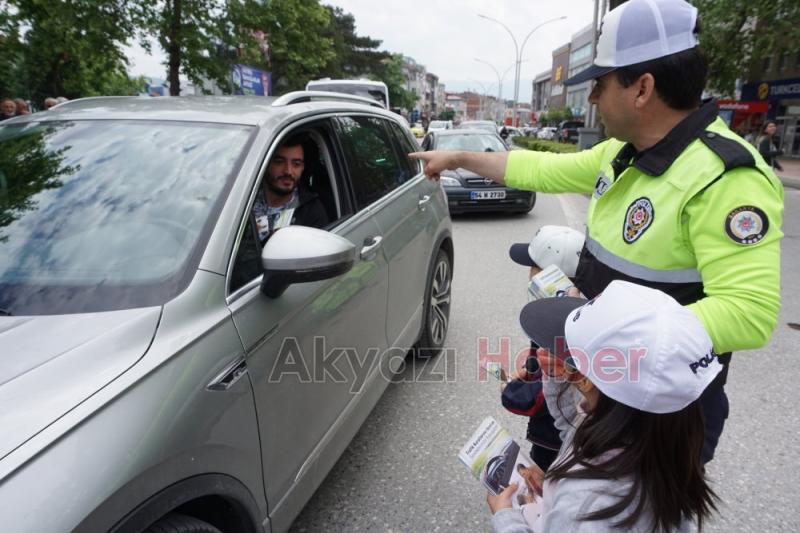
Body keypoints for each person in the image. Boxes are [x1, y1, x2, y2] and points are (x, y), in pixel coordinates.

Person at [411, 0, 784, 463]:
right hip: (591, 385)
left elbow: (748, 313)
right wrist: (461, 158)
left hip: (652, 415)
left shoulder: (727, 177)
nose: (591, 100)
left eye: (600, 85)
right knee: (558, 494)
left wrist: (604, 337)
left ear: (642, 88)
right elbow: (542, 168)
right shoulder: (622, 152)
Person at [488, 281, 721, 532]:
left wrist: (507, 519)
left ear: (585, 379)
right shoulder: (661, 440)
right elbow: (576, 436)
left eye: (568, 356)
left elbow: (582, 503)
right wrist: (554, 487)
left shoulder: (586, 506)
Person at [503, 225, 584, 471]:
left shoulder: (557, 326)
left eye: (533, 265)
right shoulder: (575, 309)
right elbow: (539, 362)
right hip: (566, 430)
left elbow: (537, 397)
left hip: (558, 437)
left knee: (547, 485)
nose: (529, 272)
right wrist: (529, 371)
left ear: (547, 273)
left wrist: (511, 390)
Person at [252, 134, 329, 243]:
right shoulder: (244, 198)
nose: (288, 171)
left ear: (303, 168)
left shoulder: (311, 211)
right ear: (266, 163)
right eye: (279, 162)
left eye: (296, 164)